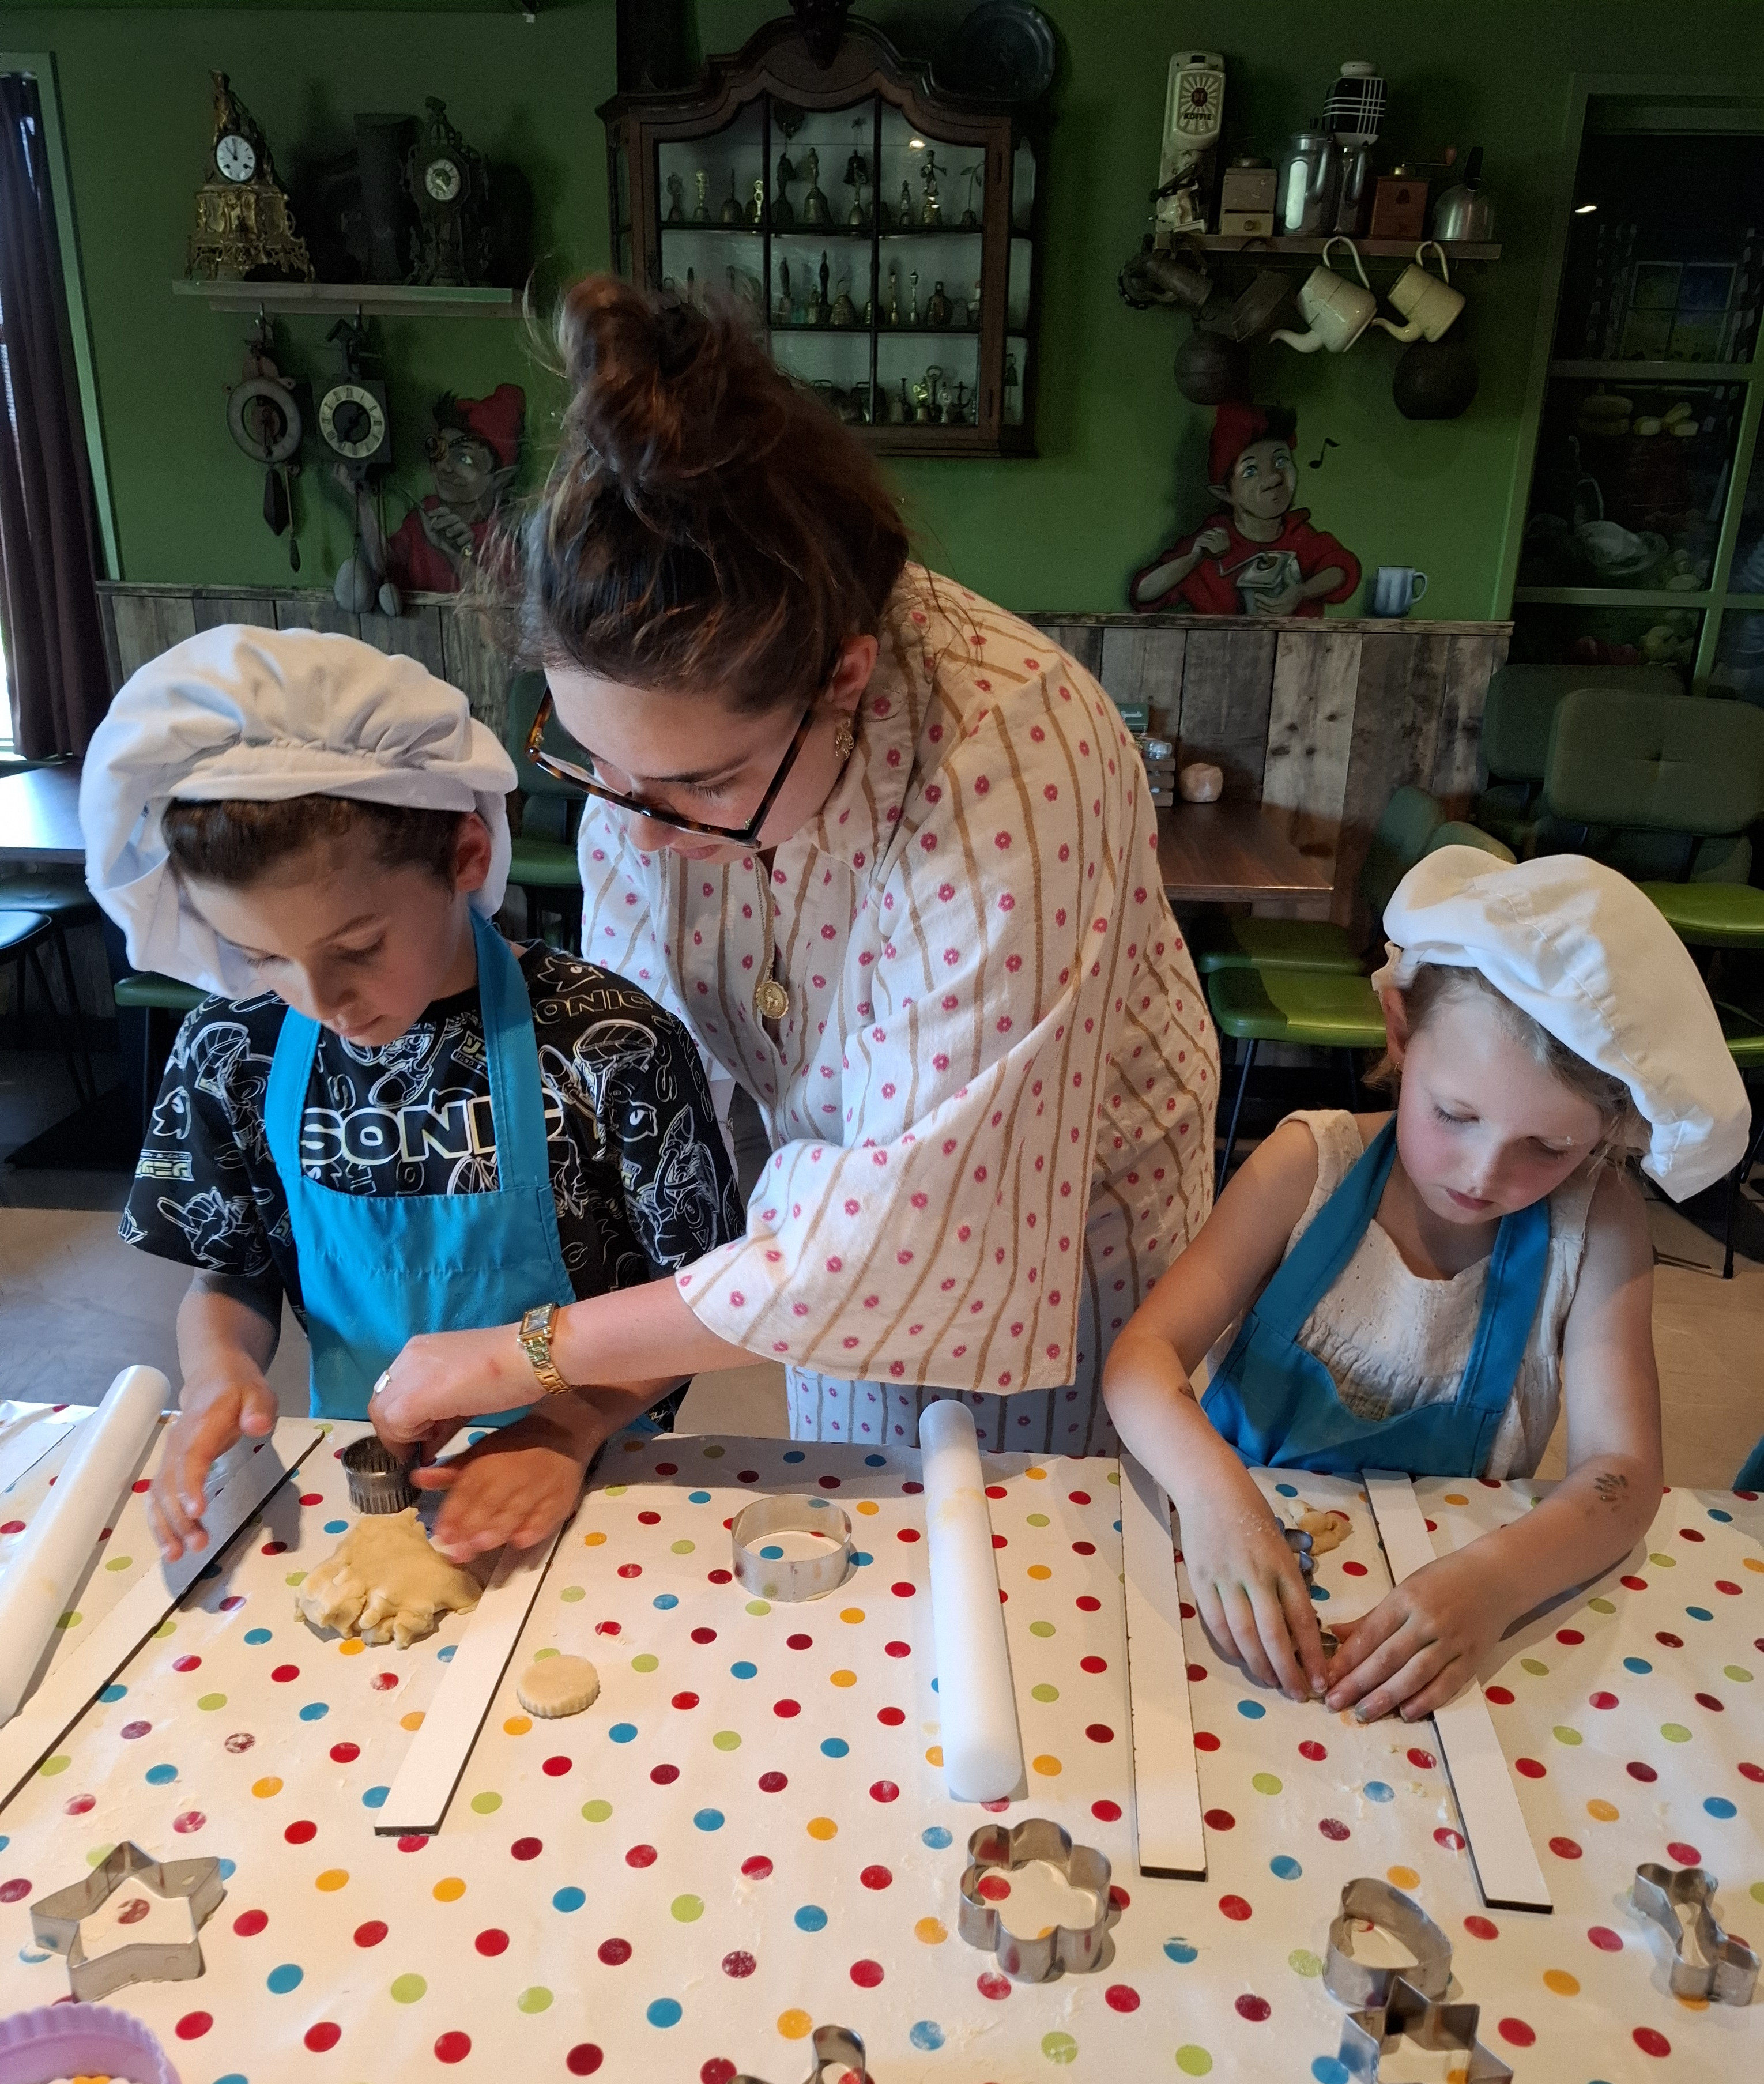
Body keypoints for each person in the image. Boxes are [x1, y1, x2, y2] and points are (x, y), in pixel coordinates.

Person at [366, 275, 1218, 1464]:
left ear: (848, 685)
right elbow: (652, 1077)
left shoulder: (1013, 748)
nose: (644, 833)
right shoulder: (645, 762)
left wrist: (533, 1354)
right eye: (602, 769)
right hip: (835, 1233)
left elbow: (909, 1234)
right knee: (877, 1527)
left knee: (1028, 1575)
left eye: (704, 787)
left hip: (1057, 1225)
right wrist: (587, 1402)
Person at [83, 627, 740, 1565]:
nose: (322, 1000)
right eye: (263, 956)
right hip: (369, 1488)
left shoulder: (610, 1046)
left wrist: (563, 1427)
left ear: (466, 853)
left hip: (603, 1478)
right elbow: (231, 1273)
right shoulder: (232, 1048)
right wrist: (217, 1371)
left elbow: (708, 1308)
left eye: (356, 949)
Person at [1104, 846, 1748, 1721]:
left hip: (1440, 1623)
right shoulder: (1306, 1167)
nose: (1486, 1175)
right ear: (1400, 1032)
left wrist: (1493, 1583)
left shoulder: (1595, 1228)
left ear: (1611, 1127)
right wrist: (1221, 1505)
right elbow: (1141, 1361)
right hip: (1223, 1579)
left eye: (1550, 1149)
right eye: (1455, 1115)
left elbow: (1625, 1475)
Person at [1129, 402, 1360, 618]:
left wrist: (1301, 592)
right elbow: (1143, 593)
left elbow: (1342, 568)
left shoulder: (1298, 535)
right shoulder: (1213, 543)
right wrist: (1194, 557)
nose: (1272, 478)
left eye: (1280, 461)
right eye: (1250, 471)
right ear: (1225, 493)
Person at [385, 383, 525, 595]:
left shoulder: (503, 539)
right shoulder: (423, 516)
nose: (443, 466)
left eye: (464, 458)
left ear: (501, 478)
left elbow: (498, 613)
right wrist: (361, 501)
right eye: (439, 450)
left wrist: (455, 554)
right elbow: (387, 567)